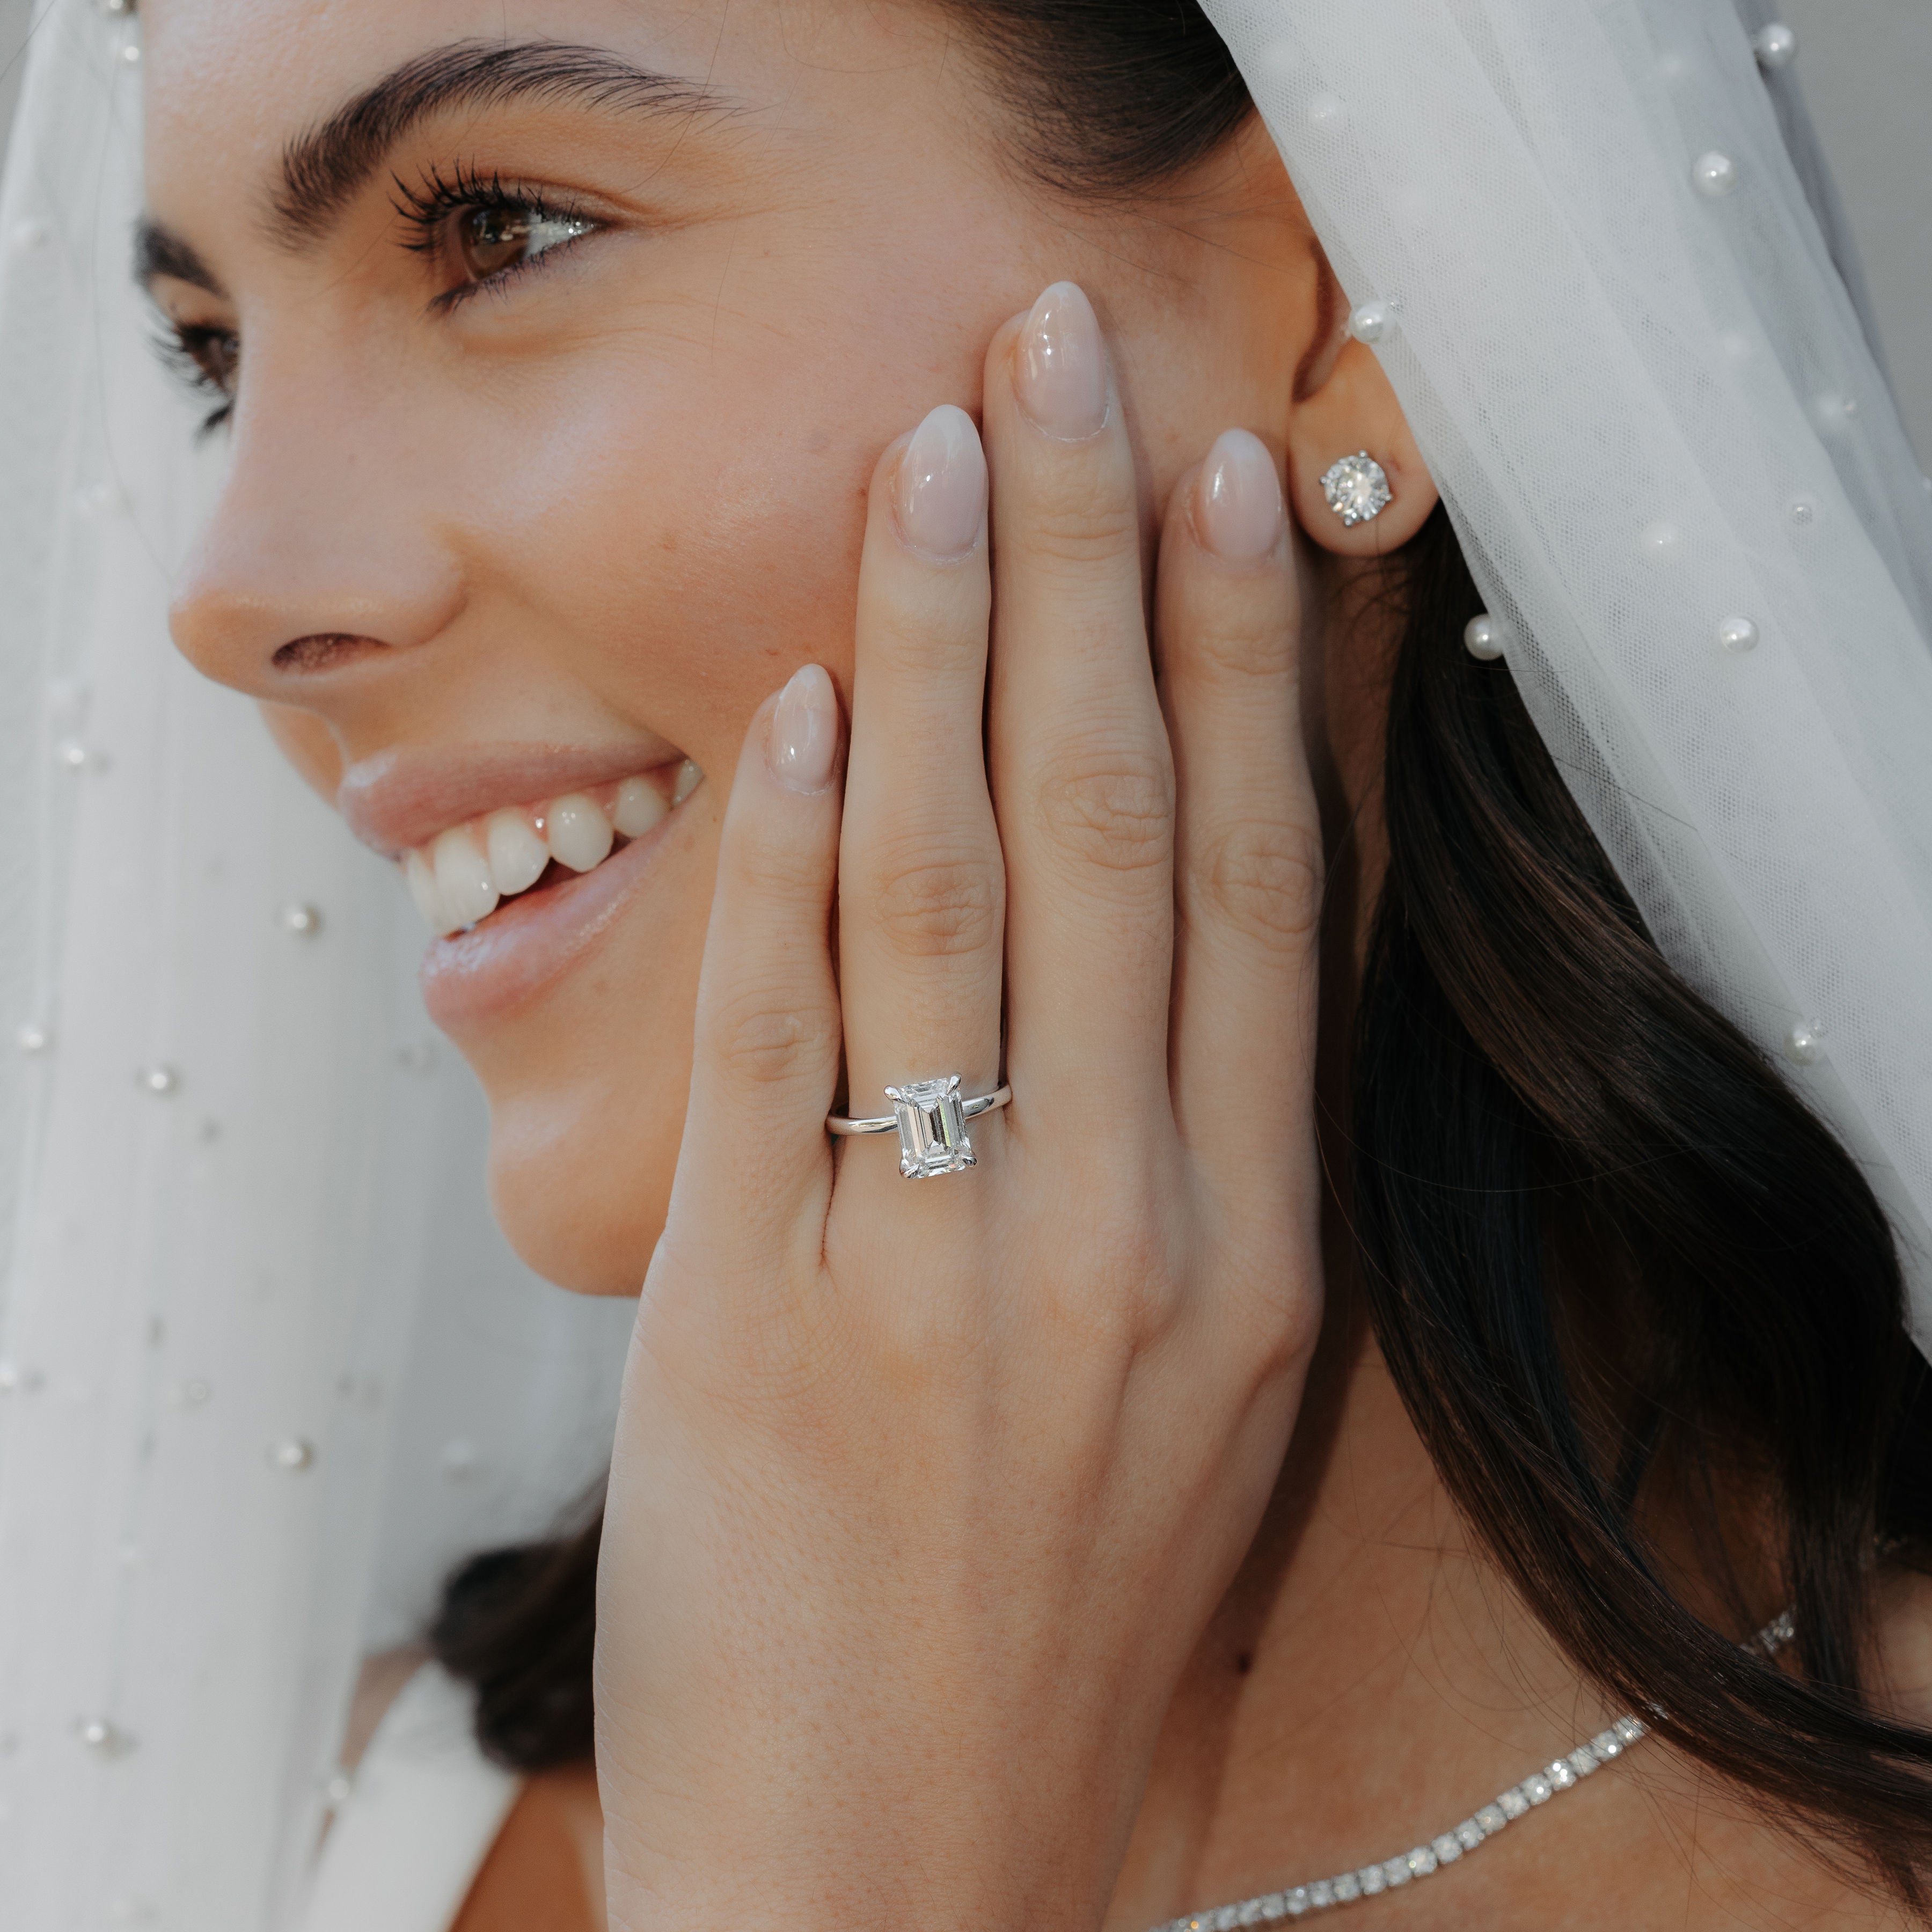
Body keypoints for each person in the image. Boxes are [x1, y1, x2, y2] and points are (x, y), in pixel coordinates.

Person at [84, 0, 1932, 1924]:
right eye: (216, 361)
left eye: (499, 234)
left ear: (1338, 303)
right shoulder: (268, 1848)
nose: (234, 594)